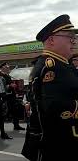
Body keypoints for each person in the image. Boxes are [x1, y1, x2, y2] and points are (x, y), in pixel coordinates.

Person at [28, 14, 78, 160]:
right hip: (59, 143)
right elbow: (54, 106)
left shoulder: (63, 64)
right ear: (51, 40)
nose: (74, 41)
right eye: (70, 37)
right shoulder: (50, 67)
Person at [0, 62, 25, 130]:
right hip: (7, 96)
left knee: (14, 110)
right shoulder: (0, 76)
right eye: (6, 66)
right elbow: (0, 86)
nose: (8, 67)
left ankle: (16, 125)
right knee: (7, 111)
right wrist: (9, 85)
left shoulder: (8, 75)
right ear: (2, 68)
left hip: (12, 95)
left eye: (8, 66)